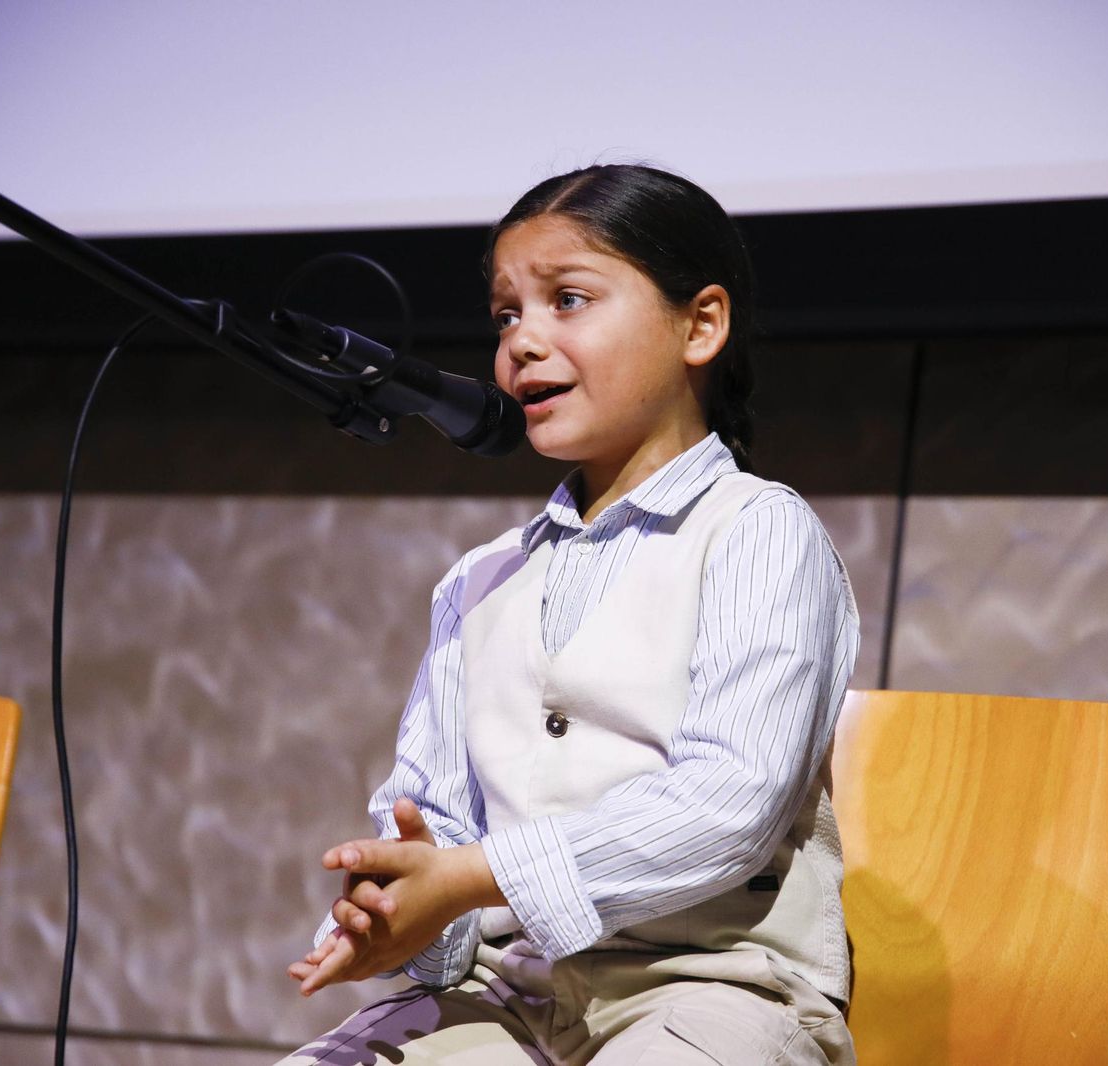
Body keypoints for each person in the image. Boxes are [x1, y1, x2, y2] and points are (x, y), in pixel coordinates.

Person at [280, 163, 859, 1065]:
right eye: (507, 314)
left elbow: (728, 805)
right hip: (511, 993)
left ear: (700, 324)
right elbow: (432, 824)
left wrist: (475, 878)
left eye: (568, 300)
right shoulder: (480, 578)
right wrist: (399, 914)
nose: (523, 342)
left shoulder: (759, 532)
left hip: (715, 991)